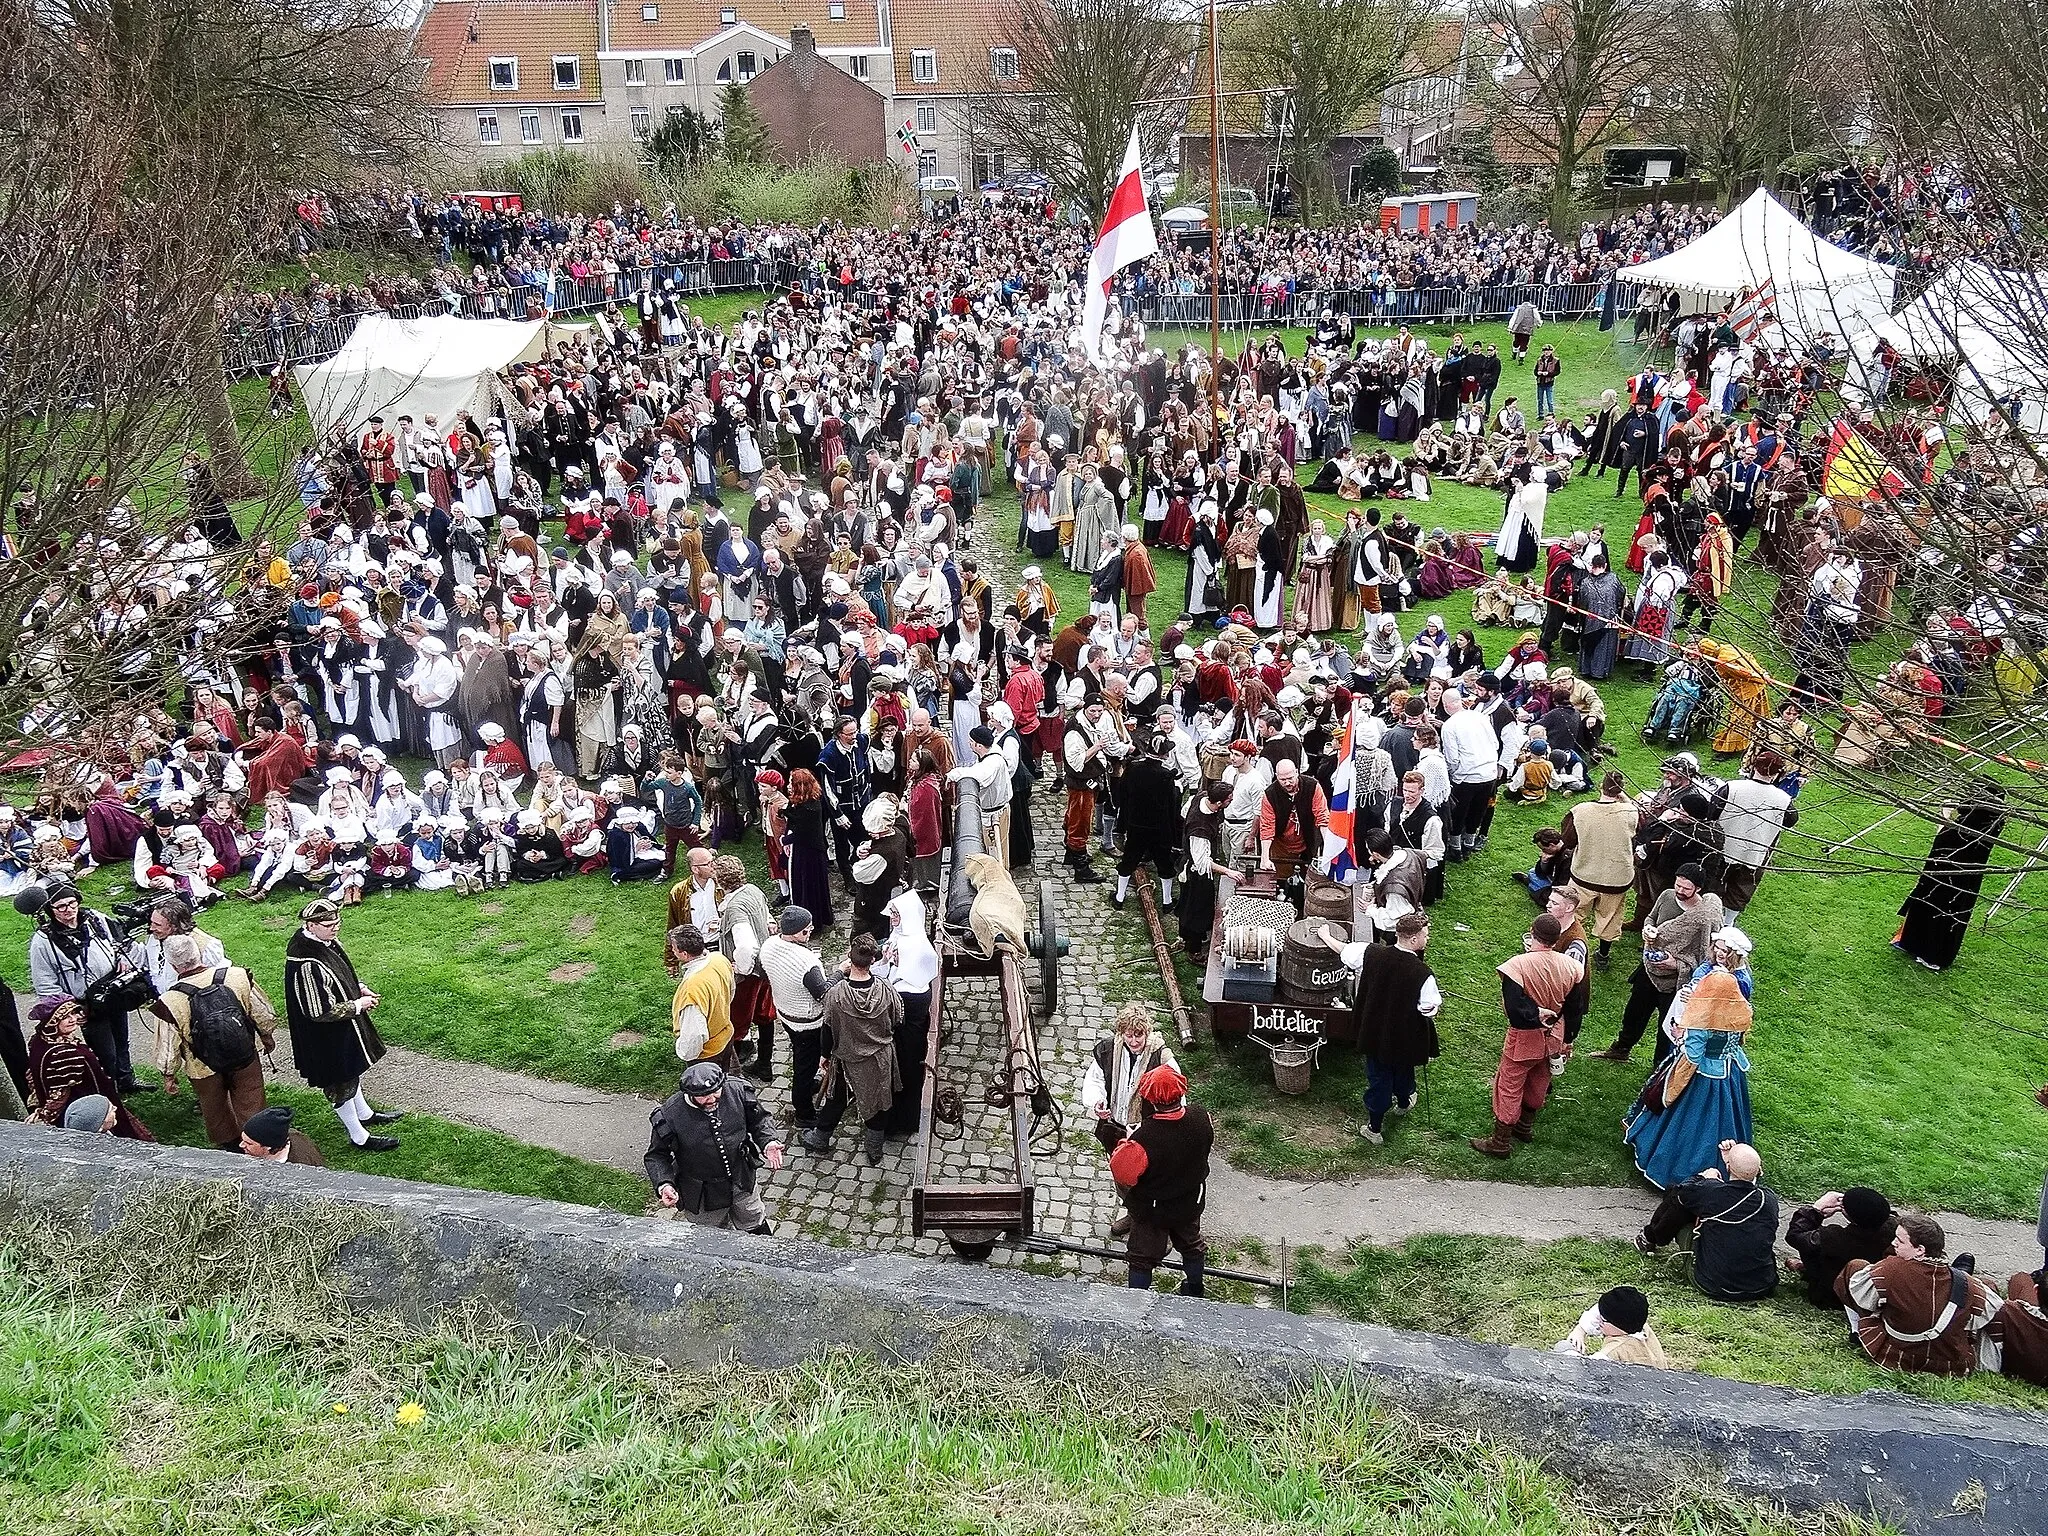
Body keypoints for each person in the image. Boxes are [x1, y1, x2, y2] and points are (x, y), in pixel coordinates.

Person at [1621, 944, 1754, 1190]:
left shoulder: (1703, 1023)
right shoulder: (1739, 1012)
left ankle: (1677, 1170)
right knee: (1729, 1122)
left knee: (1689, 1125)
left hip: (1701, 1078)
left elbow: (1692, 1056)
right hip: (1729, 1072)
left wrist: (1680, 1035)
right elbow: (1738, 1041)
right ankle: (1736, 1166)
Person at [283, 898, 400, 1152]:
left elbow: (338, 975)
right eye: (328, 924)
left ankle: (365, 1113)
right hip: (324, 1035)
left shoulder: (325, 942)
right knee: (339, 1081)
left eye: (337, 922)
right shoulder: (306, 962)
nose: (335, 928)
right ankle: (358, 1136)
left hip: (341, 1028)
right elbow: (319, 1011)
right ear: (311, 925)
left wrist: (357, 988)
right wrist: (359, 1005)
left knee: (351, 1070)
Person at [150, 932, 279, 1150]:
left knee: (214, 1109)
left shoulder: (169, 1001)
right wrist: (267, 1036)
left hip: (202, 1067)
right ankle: (258, 1142)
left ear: (173, 966)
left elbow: (167, 1045)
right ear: (199, 954)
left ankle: (229, 1148)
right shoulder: (237, 976)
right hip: (244, 1054)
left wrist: (168, 1075)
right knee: (251, 1099)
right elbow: (262, 1012)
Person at [24, 879, 152, 1095]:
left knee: (122, 1040)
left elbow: (118, 939)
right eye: (61, 906)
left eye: (72, 903)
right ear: (50, 910)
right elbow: (45, 983)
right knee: (105, 1052)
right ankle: (109, 1090)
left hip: (113, 991)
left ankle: (126, 1080)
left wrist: (121, 956)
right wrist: (69, 1011)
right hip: (85, 1004)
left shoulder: (95, 918)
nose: (68, 910)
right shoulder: (43, 940)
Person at [1470, 913, 1581, 1158]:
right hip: (1555, 1036)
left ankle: (1500, 1142)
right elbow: (1575, 1007)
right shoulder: (1572, 966)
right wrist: (1568, 1039)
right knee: (1540, 1080)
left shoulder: (1516, 966)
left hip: (1524, 1038)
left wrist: (1534, 1013)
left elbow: (1515, 1011)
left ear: (1532, 934)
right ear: (1556, 938)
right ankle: (1524, 1127)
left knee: (1509, 1085)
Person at [1838, 1215, 2001, 1377]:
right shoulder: (1968, 1284)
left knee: (1856, 1267)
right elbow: (1988, 1311)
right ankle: (1957, 1272)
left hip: (1897, 1358)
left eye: (1899, 1241)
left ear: (1920, 1250)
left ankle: (1856, 1331)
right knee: (1985, 1284)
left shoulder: (1891, 1269)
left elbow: (1860, 1293)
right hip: (1949, 1366)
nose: (1893, 1243)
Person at [1594, 863, 1722, 1064]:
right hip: (1649, 968)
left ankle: (1660, 1068)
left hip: (1676, 982)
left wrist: (1678, 965)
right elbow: (1651, 918)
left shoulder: (1704, 916)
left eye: (1686, 888)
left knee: (1667, 1026)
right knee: (1634, 1013)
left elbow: (1705, 955)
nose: (1680, 891)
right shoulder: (1667, 896)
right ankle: (1621, 1049)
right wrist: (1647, 930)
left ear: (1698, 888)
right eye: (1678, 885)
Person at [1332, 910, 1439, 1144]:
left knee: (1379, 1077)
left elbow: (1345, 952)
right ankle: (1396, 1110)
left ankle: (1375, 1126)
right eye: (1425, 934)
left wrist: (1324, 935)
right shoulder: (1423, 974)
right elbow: (1429, 1008)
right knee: (1402, 1069)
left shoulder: (1371, 953)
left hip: (1374, 1030)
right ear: (1413, 940)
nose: (1427, 938)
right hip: (1403, 1036)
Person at [643, 1060, 786, 1233]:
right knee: (711, 1236)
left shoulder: (738, 1091)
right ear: (689, 1094)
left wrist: (768, 1141)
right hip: (702, 1192)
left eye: (715, 1092)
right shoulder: (670, 1115)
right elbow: (656, 1156)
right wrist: (664, 1183)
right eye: (704, 1096)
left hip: (741, 1178)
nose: (711, 1099)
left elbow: (759, 1120)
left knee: (754, 1220)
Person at [1108, 1064, 1211, 1298]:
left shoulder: (1145, 1139)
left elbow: (1123, 1173)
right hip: (1189, 1202)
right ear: (1181, 1091)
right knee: (1192, 1247)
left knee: (1141, 1259)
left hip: (1154, 1211)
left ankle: (1136, 1303)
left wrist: (1126, 1142)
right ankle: (1195, 1290)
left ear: (1150, 1099)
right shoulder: (1202, 1117)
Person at [1634, 1140, 1780, 1303]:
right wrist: (1731, 1163)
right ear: (1759, 1171)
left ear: (1728, 1168)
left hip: (1714, 1285)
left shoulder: (1709, 1192)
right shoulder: (1769, 1199)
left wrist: (1703, 1178)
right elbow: (1741, 1190)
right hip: (1761, 1285)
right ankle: (1651, 1237)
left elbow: (1680, 1192)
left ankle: (1650, 1237)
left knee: (1680, 1202)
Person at [1081, 1002, 1179, 1236]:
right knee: (1123, 1177)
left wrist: (1163, 1127)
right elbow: (1094, 1080)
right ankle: (1135, 1215)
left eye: (1139, 1035)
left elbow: (1176, 1093)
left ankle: (1158, 1228)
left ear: (1147, 1032)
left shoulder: (1161, 1056)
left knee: (1152, 1180)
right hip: (1115, 1128)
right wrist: (1098, 1102)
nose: (1134, 1042)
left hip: (1149, 1132)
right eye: (1129, 1035)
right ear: (1120, 1033)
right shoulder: (1108, 1050)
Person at [806, 931, 902, 1165]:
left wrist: (823, 1054)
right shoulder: (886, 989)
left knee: (837, 1097)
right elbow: (898, 1019)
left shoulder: (836, 994)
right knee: (879, 1100)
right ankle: (874, 1148)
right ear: (872, 961)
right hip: (879, 1058)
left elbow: (827, 1029)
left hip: (847, 1059)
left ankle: (820, 1139)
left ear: (850, 959)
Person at [1894, 781, 2008, 971]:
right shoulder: (1989, 821)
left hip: (1950, 876)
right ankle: (1912, 942)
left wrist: (1945, 815)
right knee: (1927, 905)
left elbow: (1945, 840)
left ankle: (1932, 955)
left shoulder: (1973, 825)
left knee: (1941, 912)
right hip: (1955, 875)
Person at [759, 905, 833, 1134]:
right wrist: (840, 972)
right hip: (806, 1022)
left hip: (786, 1013)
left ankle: (808, 1085)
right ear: (798, 932)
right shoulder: (805, 960)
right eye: (807, 929)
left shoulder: (769, 945)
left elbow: (762, 973)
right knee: (804, 1066)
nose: (810, 931)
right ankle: (804, 1114)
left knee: (802, 1056)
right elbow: (823, 993)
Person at [1560, 771, 1639, 969]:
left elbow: (1568, 841)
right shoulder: (1632, 813)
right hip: (1617, 879)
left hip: (1584, 875)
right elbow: (1640, 835)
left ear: (1600, 787)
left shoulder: (1580, 811)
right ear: (1621, 791)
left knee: (1574, 912)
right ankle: (1603, 955)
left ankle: (1567, 948)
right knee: (1610, 917)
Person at [879, 891, 938, 1139]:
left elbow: (908, 976)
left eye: (896, 914)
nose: (892, 917)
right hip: (901, 1006)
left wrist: (894, 965)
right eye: (892, 913)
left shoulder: (914, 944)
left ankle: (904, 1120)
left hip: (909, 1008)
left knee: (907, 1068)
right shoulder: (900, 935)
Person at [1785, 1185, 1896, 1308]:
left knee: (1812, 1247)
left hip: (1834, 1296)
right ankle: (1804, 1267)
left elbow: (1795, 1236)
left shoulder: (1836, 1238)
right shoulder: (1895, 1227)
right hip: (1873, 1289)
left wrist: (1816, 1210)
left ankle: (1811, 1272)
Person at [668, 923, 737, 1072]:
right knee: (729, 1084)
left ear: (684, 954)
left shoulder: (691, 988)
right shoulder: (719, 959)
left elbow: (695, 1033)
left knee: (710, 1093)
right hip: (726, 1035)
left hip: (708, 1054)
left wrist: (686, 1054)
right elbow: (730, 991)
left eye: (673, 948)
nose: (672, 951)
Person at [1552, 1285, 1669, 1368]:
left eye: (1602, 1320)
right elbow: (1598, 1312)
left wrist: (1568, 1353)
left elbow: (1588, 1367)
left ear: (1618, 1326)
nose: (1598, 1320)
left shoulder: (1614, 1352)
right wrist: (1580, 1330)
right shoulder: (1638, 1324)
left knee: (1562, 1347)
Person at [239, 1104, 326, 1165]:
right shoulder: (280, 1134)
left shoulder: (299, 1166)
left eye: (249, 1143)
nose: (241, 1145)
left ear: (268, 1147)